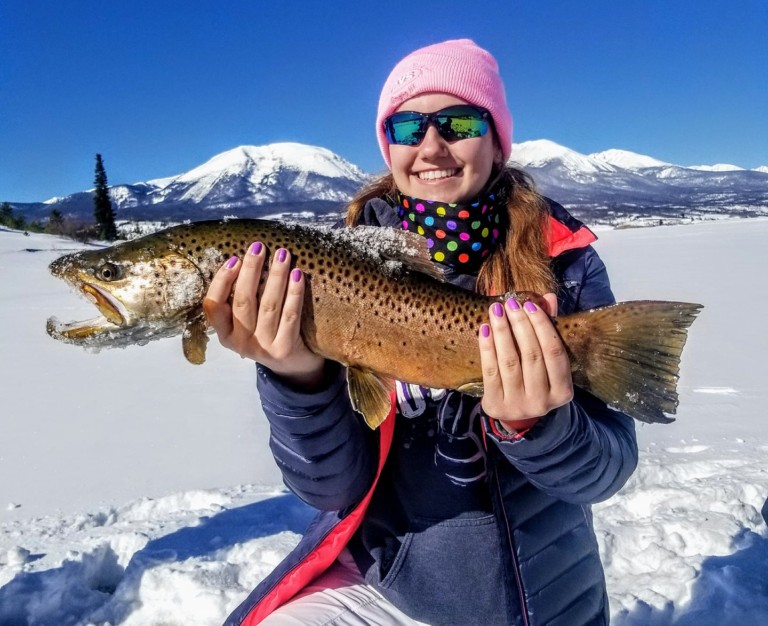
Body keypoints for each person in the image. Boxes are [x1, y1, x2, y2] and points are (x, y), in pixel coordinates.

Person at [207, 39, 638, 626]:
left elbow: (607, 470)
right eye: (408, 128)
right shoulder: (338, 268)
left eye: (457, 122)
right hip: (381, 590)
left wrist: (539, 427)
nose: (431, 146)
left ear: (496, 138)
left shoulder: (562, 266)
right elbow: (333, 490)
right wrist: (296, 378)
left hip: (541, 604)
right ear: (389, 146)